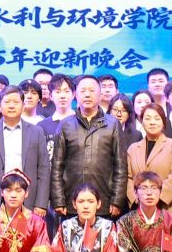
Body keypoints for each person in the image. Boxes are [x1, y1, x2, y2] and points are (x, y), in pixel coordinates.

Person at [51, 73, 124, 222]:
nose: (87, 94)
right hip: (72, 202)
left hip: (104, 202)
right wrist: (58, 200)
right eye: (83, 91)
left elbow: (120, 166)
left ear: (100, 95)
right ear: (76, 95)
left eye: (92, 90)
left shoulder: (113, 124)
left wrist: (117, 200)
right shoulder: (65, 125)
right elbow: (57, 166)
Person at [0, 87, 51, 217]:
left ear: (23, 105)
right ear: (0, 105)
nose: (11, 106)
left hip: (29, 200)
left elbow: (44, 170)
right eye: (7, 102)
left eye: (16, 102)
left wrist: (41, 203)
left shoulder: (36, 132)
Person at [125, 102, 172, 225]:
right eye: (148, 118)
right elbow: (128, 177)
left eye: (157, 118)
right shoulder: (133, 148)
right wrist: (136, 197)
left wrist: (156, 196)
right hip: (139, 209)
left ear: (163, 122)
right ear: (141, 122)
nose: (152, 122)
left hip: (167, 208)